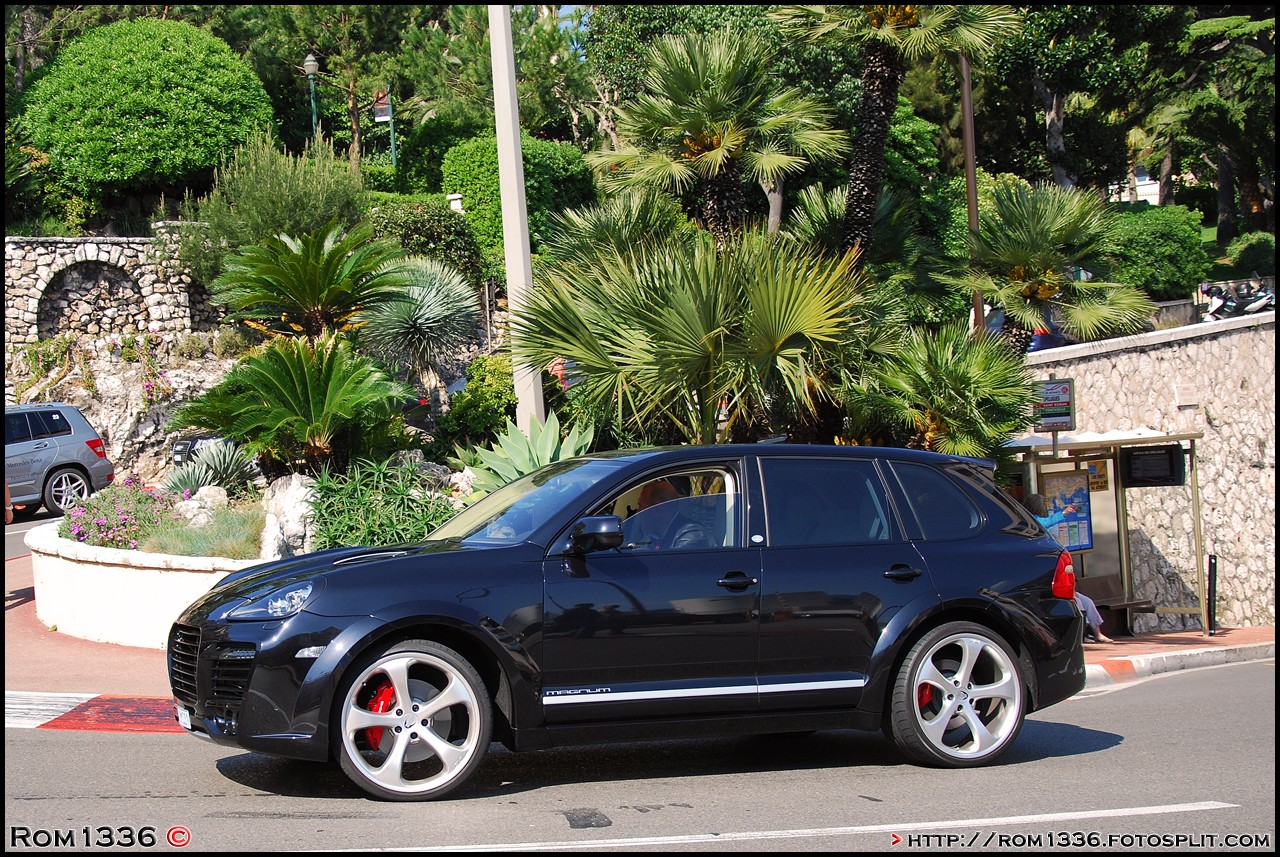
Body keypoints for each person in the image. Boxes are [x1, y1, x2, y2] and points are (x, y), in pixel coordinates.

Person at [1023, 493, 1114, 643]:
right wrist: (1063, 514)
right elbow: (1045, 522)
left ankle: (1097, 633)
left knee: (1086, 601)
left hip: (1064, 588)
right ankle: (1084, 634)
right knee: (1077, 603)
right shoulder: (1032, 521)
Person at [625, 480, 709, 551]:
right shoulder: (654, 536)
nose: (638, 512)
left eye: (641, 506)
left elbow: (671, 565)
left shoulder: (692, 536)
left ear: (657, 509)